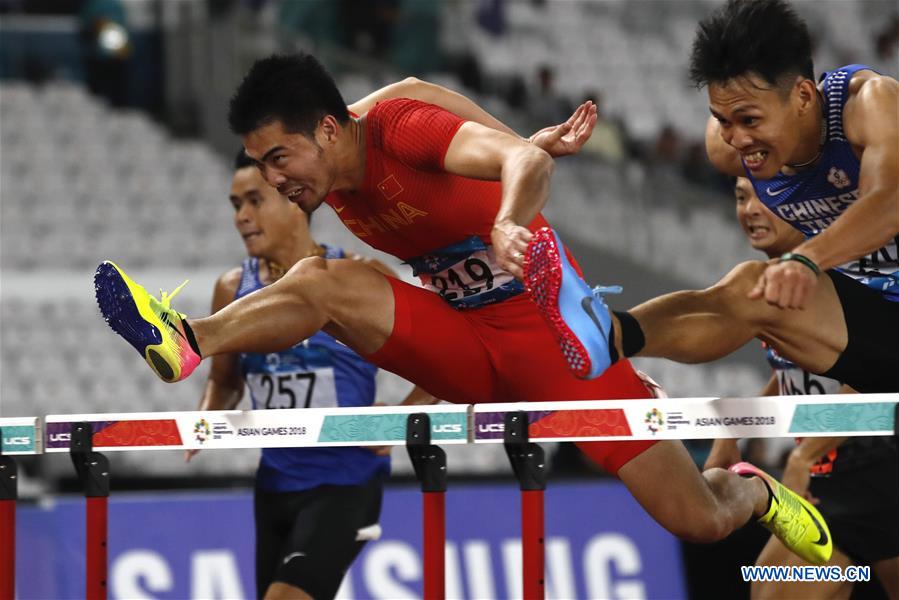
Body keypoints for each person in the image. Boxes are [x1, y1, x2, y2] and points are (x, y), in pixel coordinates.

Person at [94, 53, 832, 565]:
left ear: (324, 130)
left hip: (557, 342)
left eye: (279, 160)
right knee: (325, 282)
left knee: (697, 522)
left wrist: (511, 213)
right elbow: (412, 85)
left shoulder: (401, 131)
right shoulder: (338, 160)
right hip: (469, 344)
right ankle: (187, 339)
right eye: (262, 167)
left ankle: (752, 491)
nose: (276, 181)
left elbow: (524, 162)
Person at [524, 0, 899, 398]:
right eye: (723, 121)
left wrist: (809, 258)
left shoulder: (869, 104)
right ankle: (613, 336)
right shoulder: (726, 149)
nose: (737, 139)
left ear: (804, 97)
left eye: (750, 120)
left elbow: (888, 202)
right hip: (876, 328)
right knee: (754, 289)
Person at [185, 150, 434, 600]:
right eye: (235, 204)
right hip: (275, 486)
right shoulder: (231, 288)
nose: (241, 217)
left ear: (292, 201)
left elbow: (441, 360)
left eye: (254, 201)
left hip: (346, 483)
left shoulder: (358, 277)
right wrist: (203, 424)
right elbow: (226, 380)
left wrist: (402, 417)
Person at [703, 178, 899, 600]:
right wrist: (732, 431)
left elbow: (875, 380)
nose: (751, 209)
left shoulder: (854, 275)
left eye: (766, 196)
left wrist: (807, 453)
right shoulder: (776, 280)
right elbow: (789, 375)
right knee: (769, 590)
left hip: (872, 461)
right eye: (741, 196)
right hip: (836, 474)